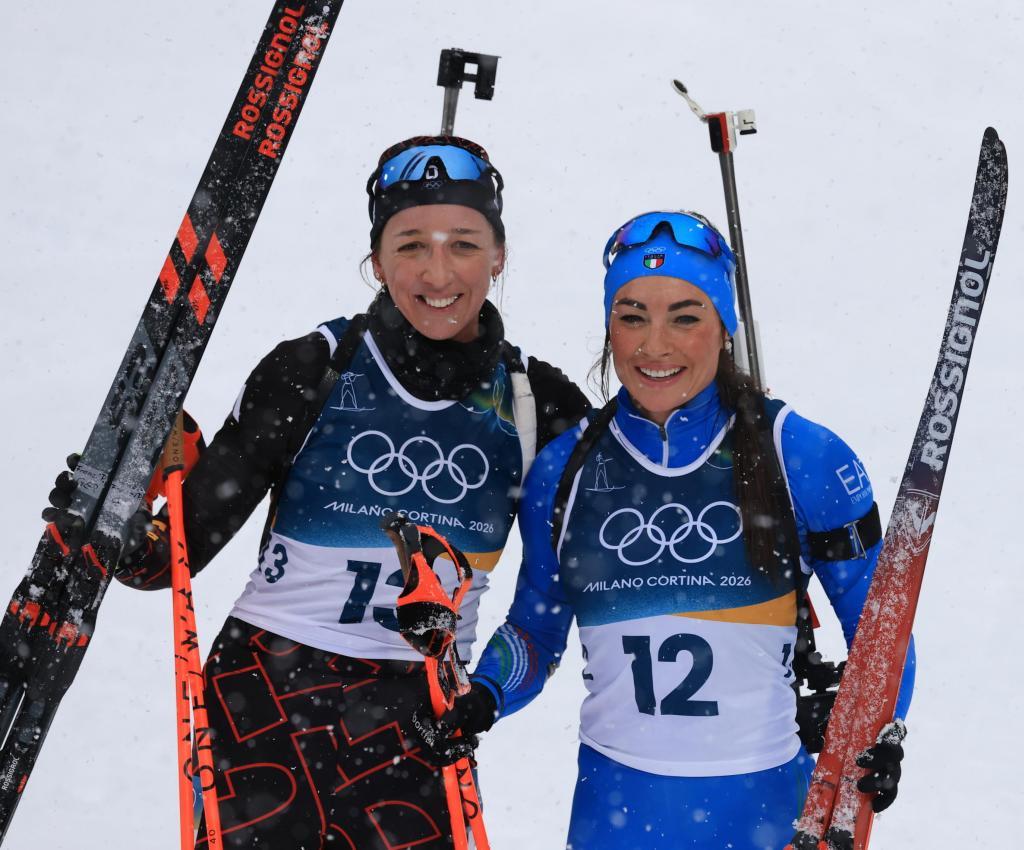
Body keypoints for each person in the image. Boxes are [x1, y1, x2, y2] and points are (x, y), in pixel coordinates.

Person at [48, 136, 589, 849]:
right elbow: (168, 560)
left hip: (422, 715)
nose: (437, 273)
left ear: (499, 255)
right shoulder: (311, 369)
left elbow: (570, 591)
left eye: (463, 244)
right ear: (376, 260)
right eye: (410, 246)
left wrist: (487, 696)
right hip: (267, 692)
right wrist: (116, 523)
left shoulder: (538, 406)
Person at [438, 211, 917, 849]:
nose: (654, 345)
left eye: (685, 317)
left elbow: (882, 634)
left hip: (765, 812)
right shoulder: (565, 471)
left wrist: (876, 731)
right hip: (615, 813)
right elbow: (535, 630)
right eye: (632, 316)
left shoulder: (800, 456)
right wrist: (483, 695)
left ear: (725, 327)